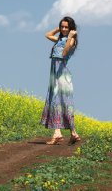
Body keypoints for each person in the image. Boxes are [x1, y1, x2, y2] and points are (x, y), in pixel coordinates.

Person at [40, 16, 81, 145]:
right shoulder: (60, 38)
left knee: (58, 102)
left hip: (61, 74)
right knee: (59, 103)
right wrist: (60, 29)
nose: (64, 29)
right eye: (62, 26)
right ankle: (72, 133)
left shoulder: (72, 40)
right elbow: (47, 34)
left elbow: (64, 54)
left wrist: (69, 36)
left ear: (71, 29)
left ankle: (58, 134)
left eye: (66, 27)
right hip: (55, 73)